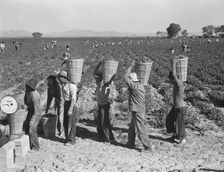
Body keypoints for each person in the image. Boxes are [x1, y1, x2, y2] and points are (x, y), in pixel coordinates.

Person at [124, 61, 153, 152]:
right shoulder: (140, 85)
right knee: (132, 127)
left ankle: (148, 147)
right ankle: (130, 142)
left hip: (138, 110)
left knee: (140, 128)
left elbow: (125, 77)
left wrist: (130, 66)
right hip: (138, 109)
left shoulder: (134, 86)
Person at [93, 61, 116, 143]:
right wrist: (99, 64)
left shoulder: (106, 85)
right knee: (99, 122)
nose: (96, 80)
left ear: (100, 79)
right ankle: (101, 137)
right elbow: (94, 72)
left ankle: (109, 138)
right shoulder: (99, 85)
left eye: (97, 79)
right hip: (100, 105)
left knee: (104, 122)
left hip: (104, 106)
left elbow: (110, 80)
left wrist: (113, 76)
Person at [166, 57, 187, 145]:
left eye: (170, 79)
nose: (169, 81)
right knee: (169, 120)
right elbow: (173, 75)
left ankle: (182, 139)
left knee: (180, 124)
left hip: (180, 108)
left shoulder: (179, 84)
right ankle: (175, 134)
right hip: (175, 107)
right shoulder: (175, 84)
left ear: (174, 79)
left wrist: (174, 63)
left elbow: (174, 75)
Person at [58, 70, 79, 145]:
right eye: (60, 77)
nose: (60, 79)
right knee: (66, 122)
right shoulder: (63, 86)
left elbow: (73, 98)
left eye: (62, 77)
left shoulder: (72, 86)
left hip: (71, 105)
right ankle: (67, 138)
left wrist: (70, 109)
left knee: (71, 123)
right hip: (66, 104)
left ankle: (71, 140)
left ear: (66, 78)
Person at [23, 78, 41, 151]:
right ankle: (29, 144)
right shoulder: (27, 93)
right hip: (30, 111)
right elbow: (26, 102)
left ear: (31, 87)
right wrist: (25, 106)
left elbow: (37, 111)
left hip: (36, 113)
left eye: (27, 86)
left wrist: (32, 121)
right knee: (26, 127)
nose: (26, 87)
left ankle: (35, 147)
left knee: (32, 128)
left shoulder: (35, 96)